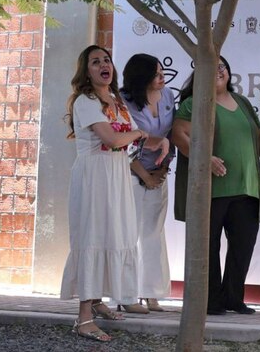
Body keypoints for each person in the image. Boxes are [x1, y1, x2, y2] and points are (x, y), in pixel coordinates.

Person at [59, 45, 163, 342]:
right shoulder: (86, 101)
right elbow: (113, 139)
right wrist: (139, 134)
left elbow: (133, 140)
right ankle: (83, 319)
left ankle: (97, 300)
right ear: (86, 71)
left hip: (116, 176)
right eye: (95, 62)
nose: (104, 65)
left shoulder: (117, 101)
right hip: (94, 177)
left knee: (113, 235)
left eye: (106, 60)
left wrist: (159, 141)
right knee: (92, 237)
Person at [172, 55, 260, 316]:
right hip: (211, 190)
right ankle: (210, 301)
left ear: (229, 72)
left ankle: (233, 298)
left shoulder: (242, 102)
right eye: (212, 66)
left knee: (242, 246)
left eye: (222, 66)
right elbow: (179, 135)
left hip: (247, 187)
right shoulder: (195, 103)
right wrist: (204, 158)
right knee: (208, 247)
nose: (218, 71)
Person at [118, 54, 174, 314]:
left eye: (162, 72)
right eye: (156, 74)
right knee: (129, 234)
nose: (162, 77)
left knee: (154, 232)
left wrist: (162, 170)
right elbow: (124, 143)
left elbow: (171, 135)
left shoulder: (168, 95)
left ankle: (152, 293)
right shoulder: (123, 101)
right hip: (130, 172)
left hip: (158, 172)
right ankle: (125, 292)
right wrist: (145, 175)